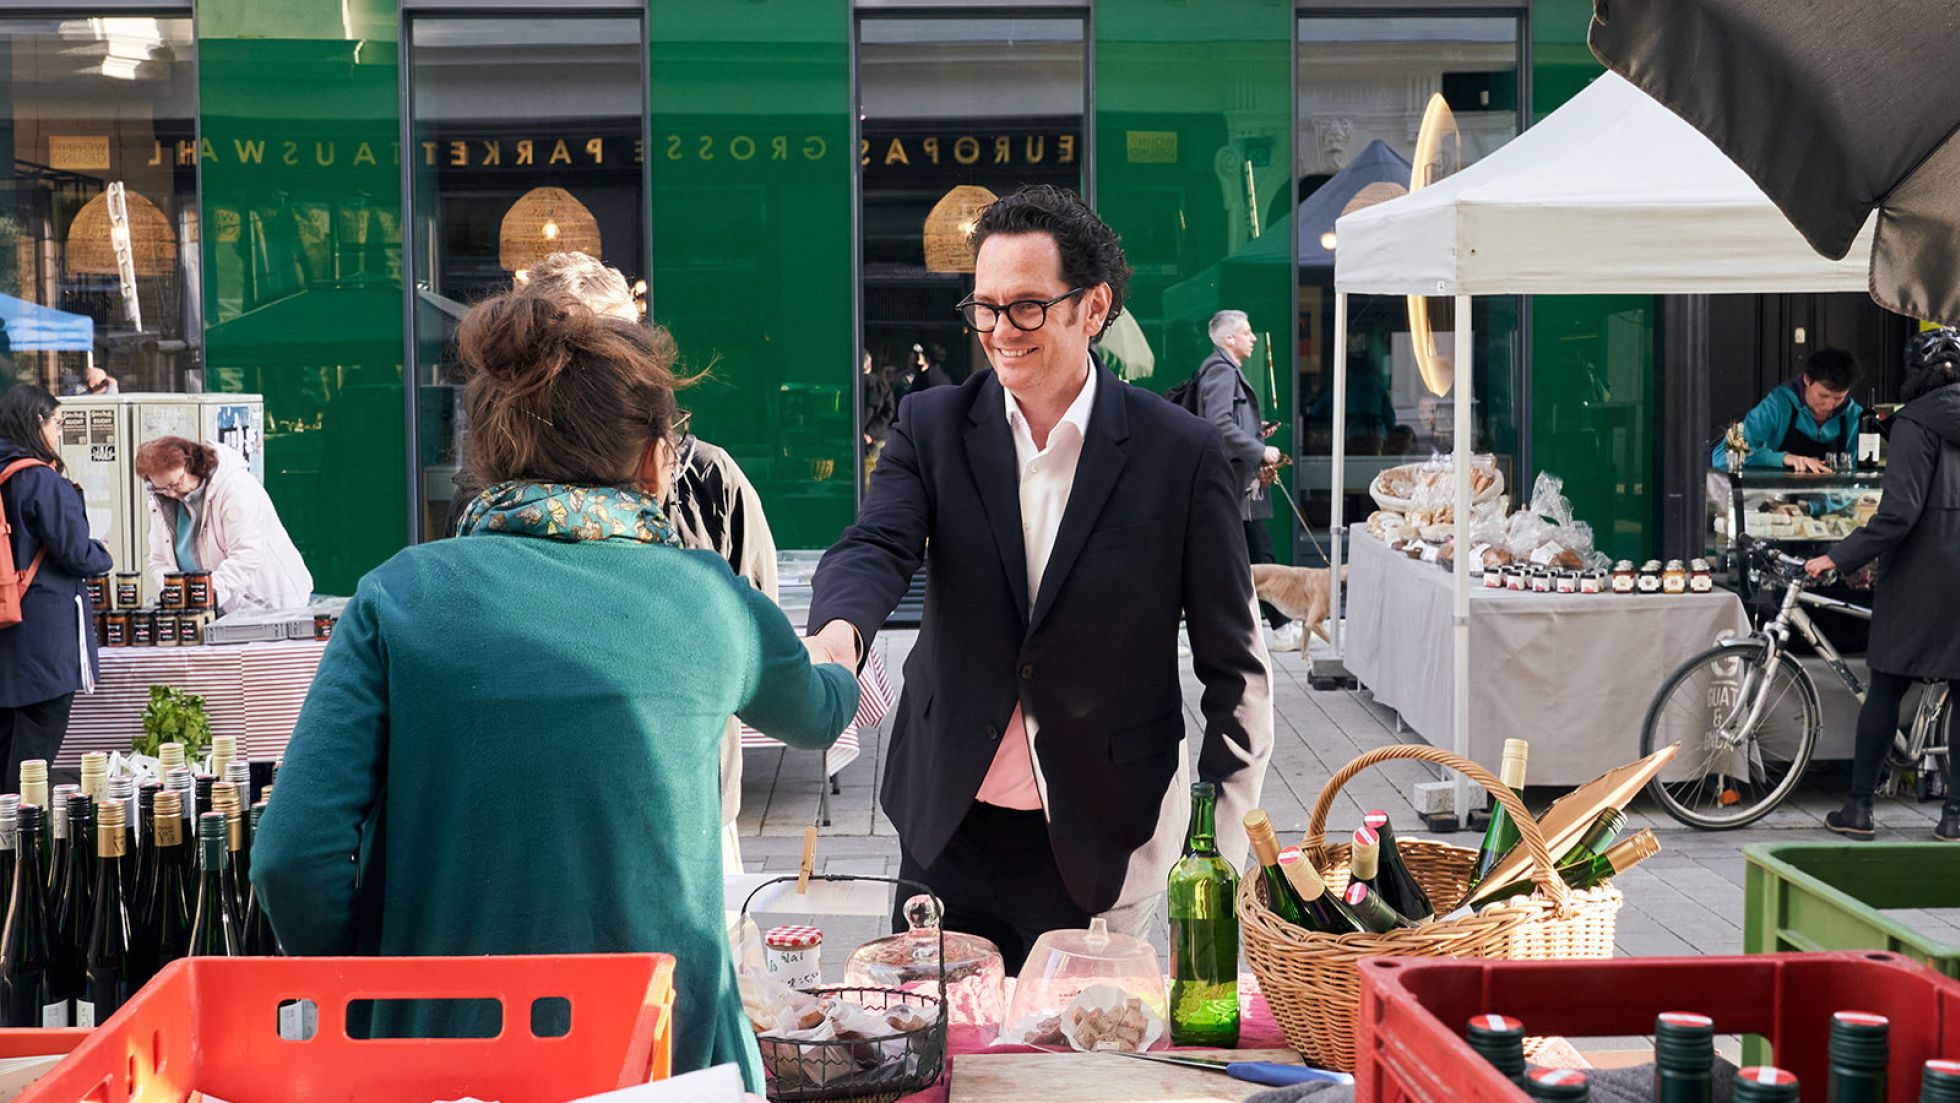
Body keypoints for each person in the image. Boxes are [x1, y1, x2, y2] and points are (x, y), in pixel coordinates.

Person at [250, 288, 859, 1087]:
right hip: (664, 1056)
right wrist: (841, 649)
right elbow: (818, 713)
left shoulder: (399, 595)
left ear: (492, 455)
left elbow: (292, 858)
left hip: (437, 1058)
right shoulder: (709, 597)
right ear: (652, 459)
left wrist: (375, 978)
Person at [803, 184, 1273, 971]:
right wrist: (838, 634)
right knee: (939, 1065)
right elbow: (875, 545)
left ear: (1093, 309)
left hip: (1104, 834)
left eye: (1025, 307)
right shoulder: (932, 426)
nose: (997, 331)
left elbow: (1237, 665)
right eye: (984, 307)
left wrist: (1222, 840)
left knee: (1084, 1071)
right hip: (947, 825)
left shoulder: (1180, 454)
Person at [452, 250, 780, 875]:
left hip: (691, 818)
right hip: (527, 823)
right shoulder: (483, 501)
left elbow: (760, 656)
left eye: (623, 348)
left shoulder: (710, 478)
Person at [1807, 328, 1960, 841]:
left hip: (1921, 573)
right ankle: (1955, 818)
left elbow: (1898, 514)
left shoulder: (1915, 424)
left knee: (1888, 685)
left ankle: (1859, 809)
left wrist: (1838, 555)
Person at [0, 385, 113, 793]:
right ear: (37, 422)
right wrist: (102, 554)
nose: (60, 431)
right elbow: (75, 553)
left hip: (5, 633)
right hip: (41, 639)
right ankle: (18, 849)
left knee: (5, 756)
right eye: (58, 422)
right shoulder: (39, 480)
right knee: (30, 770)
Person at [1196, 309, 1297, 651]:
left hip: (1237, 485)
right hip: (1233, 485)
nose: (1253, 338)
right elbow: (1219, 426)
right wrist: (1260, 449)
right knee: (1252, 556)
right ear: (1229, 339)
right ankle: (1278, 628)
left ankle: (1269, 627)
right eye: (1247, 332)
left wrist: (1257, 431)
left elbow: (1228, 423)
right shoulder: (1221, 374)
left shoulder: (1226, 372)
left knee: (1250, 556)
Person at [135, 436, 312, 614]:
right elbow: (159, 560)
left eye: (175, 483)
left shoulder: (236, 487)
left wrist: (205, 594)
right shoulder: (162, 502)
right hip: (215, 610)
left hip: (269, 604)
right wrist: (175, 593)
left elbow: (246, 555)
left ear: (192, 464)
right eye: (161, 488)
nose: (171, 493)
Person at [1712, 348, 1865, 473]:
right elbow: (1723, 454)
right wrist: (1784, 458)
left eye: (1838, 398)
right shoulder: (1776, 404)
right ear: (1807, 379)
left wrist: (1815, 507)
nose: (1829, 404)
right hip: (1774, 501)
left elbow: (1856, 478)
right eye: (1823, 395)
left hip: (1829, 505)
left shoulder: (1854, 416)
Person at [862, 350, 895, 486]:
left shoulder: (854, 384)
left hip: (873, 440)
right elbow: (889, 411)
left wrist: (868, 433)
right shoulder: (881, 384)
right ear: (869, 364)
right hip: (876, 438)